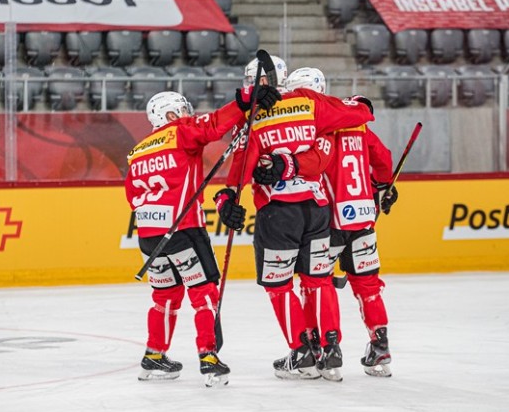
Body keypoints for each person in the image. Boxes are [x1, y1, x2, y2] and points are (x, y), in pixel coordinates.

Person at [214, 60, 375, 381]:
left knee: (279, 285)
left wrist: (227, 198)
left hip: (278, 214)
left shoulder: (253, 117)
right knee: (318, 279)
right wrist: (360, 103)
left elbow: (241, 167)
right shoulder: (310, 102)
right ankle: (330, 348)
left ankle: (302, 353)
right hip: (317, 210)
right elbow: (360, 114)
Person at [126, 86, 280, 387]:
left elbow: (132, 197)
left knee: (164, 296)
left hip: (148, 235)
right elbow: (211, 126)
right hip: (184, 230)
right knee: (204, 294)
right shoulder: (178, 131)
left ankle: (153, 355)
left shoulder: (137, 151)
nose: (188, 114)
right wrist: (244, 100)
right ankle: (209, 358)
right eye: (182, 110)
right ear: (169, 115)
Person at [281, 68, 399, 378]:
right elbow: (383, 159)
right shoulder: (357, 123)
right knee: (368, 286)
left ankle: (326, 348)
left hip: (327, 220)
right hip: (362, 216)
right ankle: (380, 348)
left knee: (313, 283)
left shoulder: (314, 127)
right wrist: (384, 185)